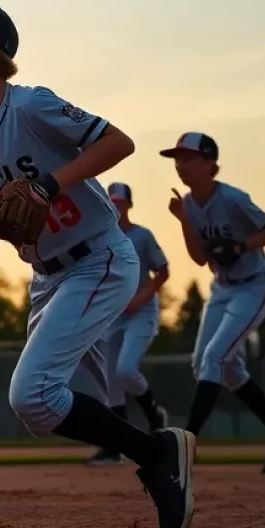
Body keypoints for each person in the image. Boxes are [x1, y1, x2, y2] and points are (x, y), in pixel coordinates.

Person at [0, 0, 195, 528]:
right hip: (46, 279)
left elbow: (119, 143)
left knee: (30, 392)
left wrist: (49, 183)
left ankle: (156, 456)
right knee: (40, 407)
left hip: (99, 259)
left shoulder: (30, 106)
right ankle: (157, 450)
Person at [162, 132, 265, 472]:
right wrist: (182, 220)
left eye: (189, 158)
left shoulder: (233, 198)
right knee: (208, 363)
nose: (181, 165)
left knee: (215, 356)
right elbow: (198, 259)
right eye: (177, 159)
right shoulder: (189, 205)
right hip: (223, 289)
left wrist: (240, 247)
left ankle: (186, 444)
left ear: (210, 164)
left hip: (255, 286)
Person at [87, 182, 170, 467]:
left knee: (125, 370)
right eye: (111, 202)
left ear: (128, 205)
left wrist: (143, 296)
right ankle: (115, 448)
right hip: (112, 315)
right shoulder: (98, 237)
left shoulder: (142, 235)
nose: (115, 207)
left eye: (120, 203)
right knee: (111, 383)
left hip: (141, 313)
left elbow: (162, 270)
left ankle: (154, 415)